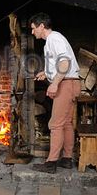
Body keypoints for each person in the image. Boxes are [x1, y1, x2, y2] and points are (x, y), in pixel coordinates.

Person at [29, 13, 81, 174]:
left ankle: (51, 163)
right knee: (65, 123)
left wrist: (55, 83)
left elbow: (65, 63)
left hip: (66, 84)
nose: (32, 32)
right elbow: (60, 63)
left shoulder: (54, 39)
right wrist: (47, 73)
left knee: (55, 124)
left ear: (42, 26)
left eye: (33, 28)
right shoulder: (51, 41)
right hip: (70, 83)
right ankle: (66, 159)